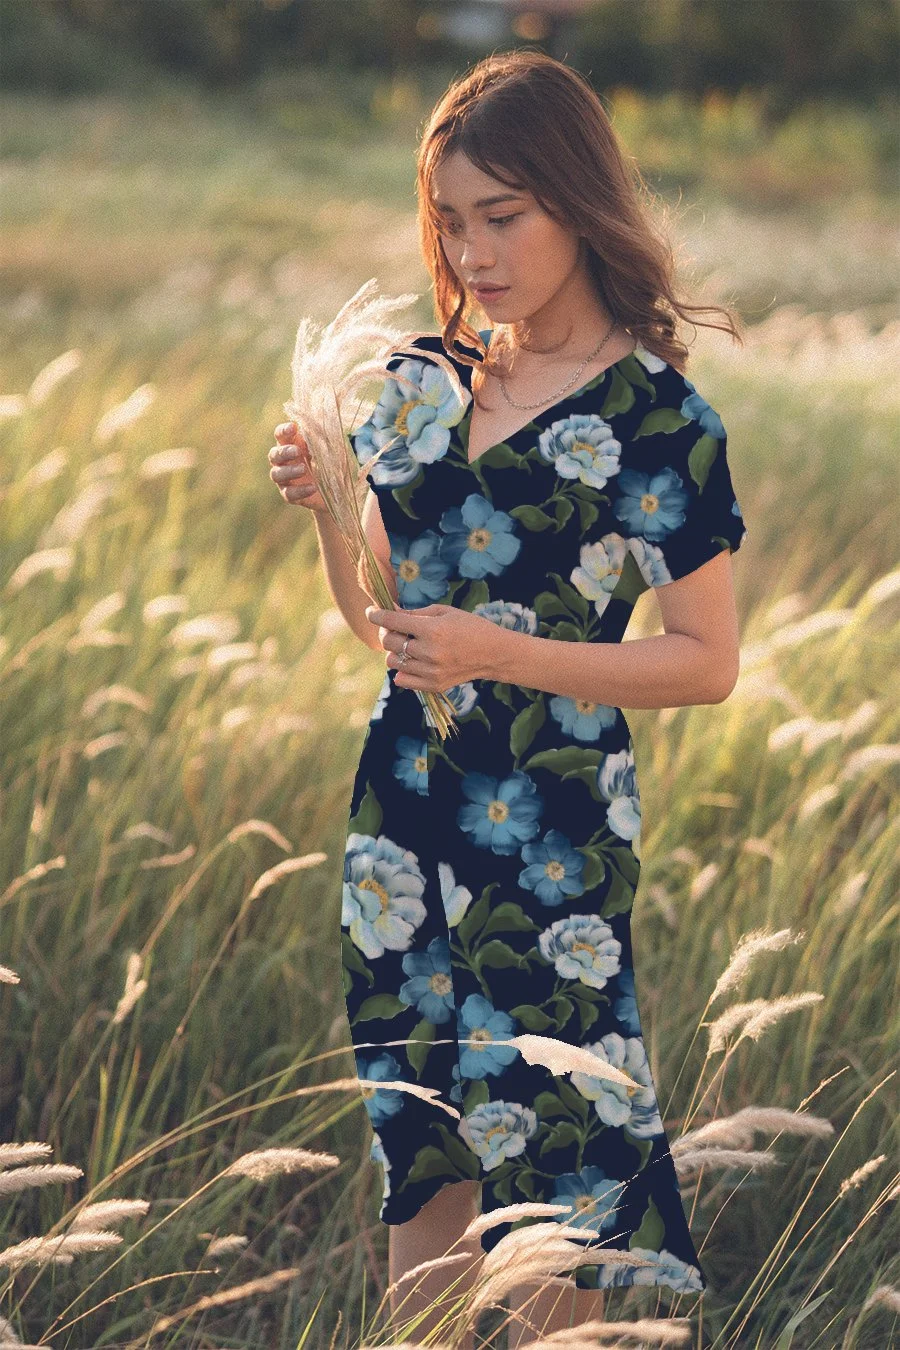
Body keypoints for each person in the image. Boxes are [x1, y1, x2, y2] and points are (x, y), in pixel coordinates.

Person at [269, 49, 747, 1346]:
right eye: (449, 222)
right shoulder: (422, 382)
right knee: (421, 1150)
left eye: (503, 216)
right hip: (402, 815)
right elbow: (385, 630)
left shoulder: (660, 422)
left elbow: (707, 659)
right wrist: (331, 506)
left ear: (577, 202)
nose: (472, 253)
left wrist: (505, 653)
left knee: (551, 1169)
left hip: (552, 831)